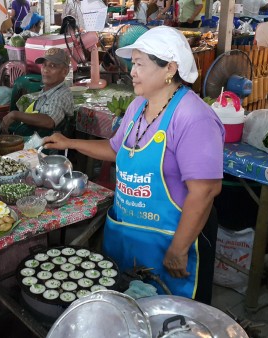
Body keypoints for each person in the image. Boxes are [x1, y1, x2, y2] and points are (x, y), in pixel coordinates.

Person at [44, 26, 224, 304]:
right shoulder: (138, 106)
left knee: (171, 317)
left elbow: (205, 191)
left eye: (140, 64)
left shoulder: (193, 117)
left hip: (171, 239)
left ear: (170, 69)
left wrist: (179, 248)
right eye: (133, 63)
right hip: (130, 233)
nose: (132, 71)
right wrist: (70, 142)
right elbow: (117, 149)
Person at [0, 48, 73, 137]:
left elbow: (49, 121)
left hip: (47, 148)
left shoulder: (61, 95)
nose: (45, 70)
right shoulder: (48, 90)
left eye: (52, 66)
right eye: (44, 65)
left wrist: (15, 114)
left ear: (65, 71)